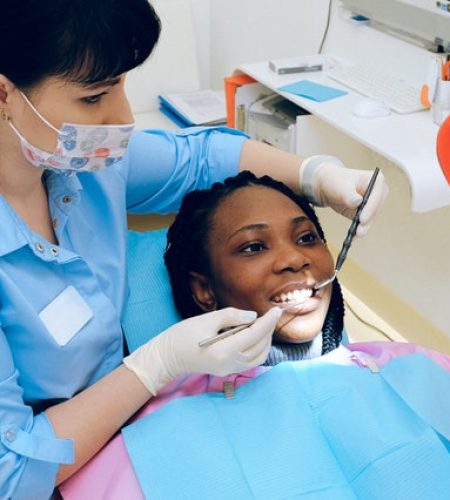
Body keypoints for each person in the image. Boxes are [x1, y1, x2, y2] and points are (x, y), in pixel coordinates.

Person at [0, 1, 388, 496]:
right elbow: (13, 474)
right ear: (4, 91)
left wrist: (318, 176)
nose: (122, 117)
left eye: (122, 83)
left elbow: (201, 157)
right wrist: (156, 366)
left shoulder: (83, 162)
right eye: (94, 97)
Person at [60, 171, 449, 499]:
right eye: (253, 247)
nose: (295, 258)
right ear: (203, 290)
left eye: (307, 237)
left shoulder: (416, 368)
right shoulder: (152, 441)